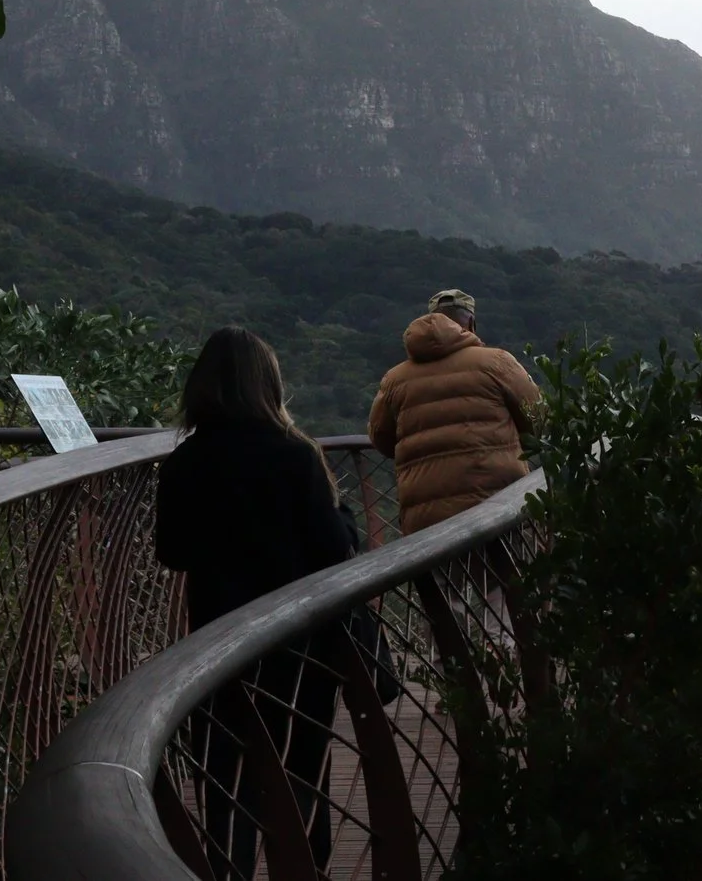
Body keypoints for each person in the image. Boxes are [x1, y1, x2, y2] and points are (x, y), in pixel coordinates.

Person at [155, 327, 353, 881]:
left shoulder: (184, 463)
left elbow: (171, 552)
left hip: (218, 646)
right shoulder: (295, 457)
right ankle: (302, 869)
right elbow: (333, 551)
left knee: (226, 777)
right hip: (299, 646)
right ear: (268, 383)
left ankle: (230, 868)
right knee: (302, 773)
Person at [368, 288, 542, 534]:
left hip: (426, 522)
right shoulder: (496, 362)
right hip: (498, 508)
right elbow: (538, 418)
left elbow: (381, 438)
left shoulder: (394, 380)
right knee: (507, 572)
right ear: (470, 322)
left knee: (441, 574)